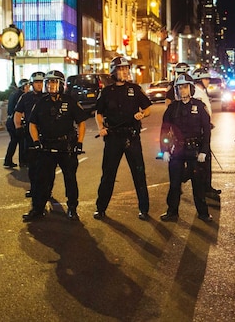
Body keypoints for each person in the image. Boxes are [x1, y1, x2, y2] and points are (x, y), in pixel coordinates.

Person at [93, 56, 153, 220]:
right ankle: (101, 208)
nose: (125, 72)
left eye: (126, 69)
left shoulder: (134, 88)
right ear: (114, 71)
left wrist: (142, 114)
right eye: (121, 69)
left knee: (139, 173)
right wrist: (101, 128)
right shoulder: (106, 91)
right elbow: (98, 113)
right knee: (108, 174)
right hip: (113, 138)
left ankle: (144, 209)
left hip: (132, 137)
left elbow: (148, 108)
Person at [24, 70, 87, 221]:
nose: (51, 85)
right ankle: (38, 209)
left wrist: (79, 142)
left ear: (61, 84)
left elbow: (81, 123)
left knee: (70, 179)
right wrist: (36, 142)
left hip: (66, 146)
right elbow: (32, 123)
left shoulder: (70, 101)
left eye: (54, 82)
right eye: (49, 82)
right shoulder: (41, 102)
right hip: (46, 146)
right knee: (42, 180)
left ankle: (72, 208)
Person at [159, 74, 214, 222]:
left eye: (185, 87)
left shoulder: (199, 106)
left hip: (194, 150)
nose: (182, 90)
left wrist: (204, 150)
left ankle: (203, 213)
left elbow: (206, 130)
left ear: (191, 88)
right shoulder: (172, 108)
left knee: (198, 184)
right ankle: (172, 212)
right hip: (176, 150)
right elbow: (164, 130)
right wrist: (164, 149)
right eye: (179, 88)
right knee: (175, 183)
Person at [14, 72, 46, 199]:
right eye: (37, 82)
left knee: (46, 166)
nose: (40, 85)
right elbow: (18, 113)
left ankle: (46, 190)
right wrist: (18, 128)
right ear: (32, 84)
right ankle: (34, 189)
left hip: (45, 135)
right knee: (32, 165)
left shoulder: (48, 97)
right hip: (29, 135)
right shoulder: (25, 97)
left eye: (41, 82)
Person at [192, 67, 221, 198]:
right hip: (201, 132)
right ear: (199, 80)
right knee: (203, 160)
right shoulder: (197, 93)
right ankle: (203, 188)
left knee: (206, 160)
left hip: (205, 128)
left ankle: (207, 187)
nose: (208, 81)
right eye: (206, 78)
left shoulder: (202, 92)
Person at [4, 78, 30, 168]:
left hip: (10, 120)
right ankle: (23, 161)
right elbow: (20, 110)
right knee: (22, 142)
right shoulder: (22, 96)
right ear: (23, 87)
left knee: (14, 141)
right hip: (15, 121)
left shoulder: (13, 94)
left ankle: (8, 160)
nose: (28, 88)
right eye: (27, 86)